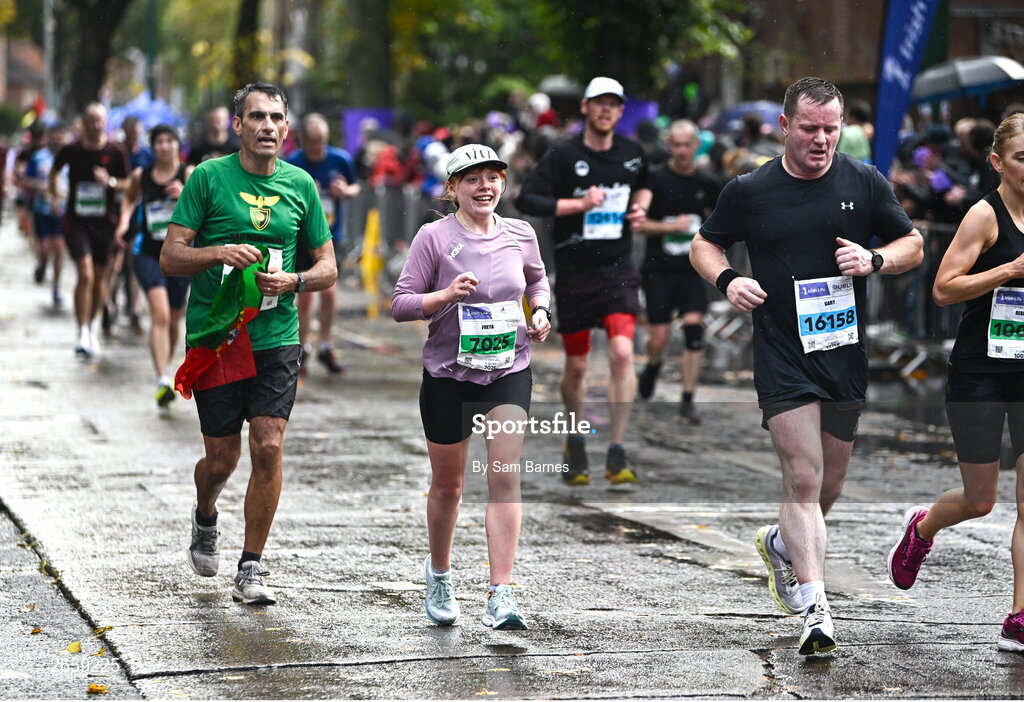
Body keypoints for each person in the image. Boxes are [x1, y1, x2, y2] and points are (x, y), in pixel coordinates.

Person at [690, 77, 923, 655]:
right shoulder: (750, 190)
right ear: (785, 127)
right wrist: (729, 279)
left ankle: (779, 541)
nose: (822, 140)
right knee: (801, 476)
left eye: (832, 128)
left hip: (842, 351)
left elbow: (913, 244)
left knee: (828, 484)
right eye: (811, 128)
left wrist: (873, 259)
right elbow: (705, 244)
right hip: (781, 351)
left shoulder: (863, 180)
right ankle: (816, 610)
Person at [161, 82, 336, 605]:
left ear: (287, 128)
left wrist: (296, 282)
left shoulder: (301, 185)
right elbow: (171, 255)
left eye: (276, 118)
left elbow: (329, 266)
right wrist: (218, 253)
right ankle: (205, 514)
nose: (267, 126)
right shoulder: (209, 178)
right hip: (218, 336)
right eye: (256, 117)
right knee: (222, 460)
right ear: (237, 126)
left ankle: (251, 566)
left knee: (269, 445)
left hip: (276, 335)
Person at [392, 144, 551, 629]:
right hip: (447, 375)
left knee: (504, 476)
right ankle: (439, 573)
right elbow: (400, 303)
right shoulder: (434, 237)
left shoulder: (520, 234)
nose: (485, 187)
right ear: (453, 188)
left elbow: (537, 282)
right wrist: (444, 295)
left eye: (492, 178)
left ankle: (500, 593)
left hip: (508, 369)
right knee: (449, 485)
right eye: (472, 179)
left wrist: (540, 312)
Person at [887, 113, 1024, 652]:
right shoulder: (983, 216)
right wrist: (1007, 272)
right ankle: (922, 527)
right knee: (981, 499)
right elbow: (944, 288)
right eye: (1021, 157)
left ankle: (1019, 616)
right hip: (981, 374)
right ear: (997, 162)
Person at [515, 76, 650, 486]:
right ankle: (574, 439)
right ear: (587, 109)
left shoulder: (632, 153)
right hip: (576, 270)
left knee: (624, 353)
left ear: (620, 111)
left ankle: (617, 448)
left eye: (614, 104)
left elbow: (643, 186)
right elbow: (527, 199)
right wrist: (579, 204)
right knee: (576, 367)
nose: (606, 110)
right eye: (599, 103)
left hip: (619, 268)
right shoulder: (562, 154)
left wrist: (641, 209)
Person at [634, 119, 720, 422]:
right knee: (658, 338)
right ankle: (653, 365)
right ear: (669, 146)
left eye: (688, 145)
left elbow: (719, 221)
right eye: (677, 145)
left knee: (694, 328)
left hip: (693, 270)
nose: (683, 151)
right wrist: (671, 226)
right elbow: (638, 224)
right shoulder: (655, 180)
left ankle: (687, 398)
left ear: (697, 146)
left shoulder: (707, 183)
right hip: (659, 269)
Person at [116, 124, 193, 407]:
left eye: (169, 140)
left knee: (173, 319)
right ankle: (161, 377)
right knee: (159, 314)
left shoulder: (190, 174)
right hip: (148, 252)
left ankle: (167, 367)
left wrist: (184, 194)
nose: (164, 146)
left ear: (177, 144)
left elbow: (207, 209)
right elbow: (128, 199)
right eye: (158, 141)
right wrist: (124, 222)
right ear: (153, 146)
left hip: (181, 255)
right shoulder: (141, 175)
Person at [50, 103, 130, 359]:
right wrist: (55, 195)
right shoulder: (71, 150)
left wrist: (110, 181)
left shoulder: (116, 151)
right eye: (91, 120)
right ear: (83, 123)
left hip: (104, 223)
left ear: (105, 123)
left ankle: (93, 326)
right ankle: (81, 330)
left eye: (100, 120)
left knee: (99, 277)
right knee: (84, 274)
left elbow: (129, 184)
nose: (96, 125)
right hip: (76, 220)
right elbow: (54, 172)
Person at [286, 113, 361, 376]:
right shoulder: (293, 162)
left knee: (329, 292)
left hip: (331, 234)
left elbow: (356, 188)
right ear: (303, 140)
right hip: (303, 237)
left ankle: (326, 344)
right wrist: (306, 194)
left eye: (322, 142)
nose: (318, 149)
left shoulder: (340, 159)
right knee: (305, 297)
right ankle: (302, 348)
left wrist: (344, 191)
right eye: (313, 143)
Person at [23, 122, 71, 307]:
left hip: (62, 212)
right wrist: (41, 186)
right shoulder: (38, 157)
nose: (58, 139)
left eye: (61, 135)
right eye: (55, 135)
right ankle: (42, 265)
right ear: (49, 136)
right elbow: (25, 180)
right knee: (44, 249)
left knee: (59, 250)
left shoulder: (70, 158)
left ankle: (56, 288)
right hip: (42, 210)